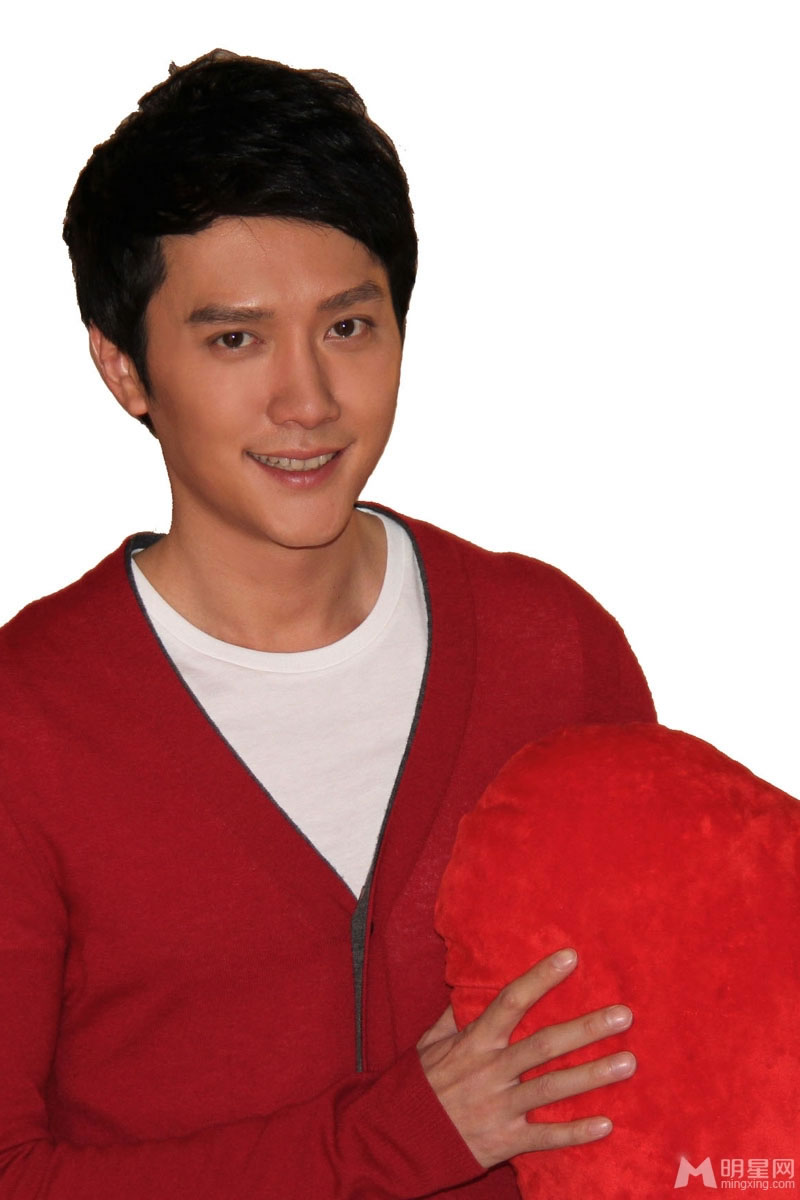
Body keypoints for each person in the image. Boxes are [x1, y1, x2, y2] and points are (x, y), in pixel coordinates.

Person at [0, 50, 655, 1199]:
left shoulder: (553, 650)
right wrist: (397, 1139)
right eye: (235, 339)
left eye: (347, 328)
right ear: (123, 368)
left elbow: (667, 1060)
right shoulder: (28, 722)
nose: (306, 401)